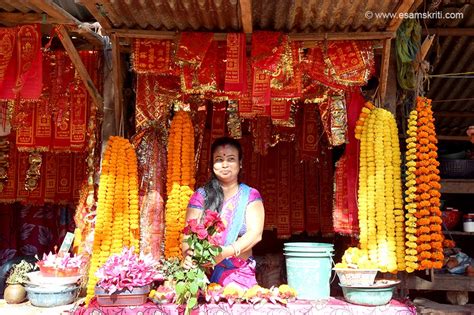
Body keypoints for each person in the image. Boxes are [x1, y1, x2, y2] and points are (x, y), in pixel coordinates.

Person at [182, 137, 265, 289]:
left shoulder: (251, 195)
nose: (225, 164)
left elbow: (255, 234)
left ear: (240, 163)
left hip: (240, 276)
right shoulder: (200, 196)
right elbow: (188, 234)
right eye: (219, 159)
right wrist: (187, 256)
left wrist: (224, 253)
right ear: (212, 164)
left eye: (231, 159)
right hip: (202, 275)